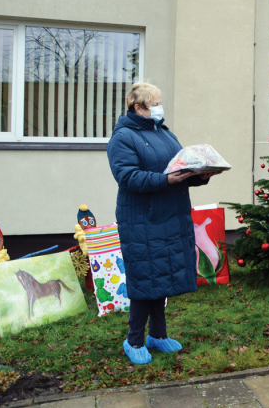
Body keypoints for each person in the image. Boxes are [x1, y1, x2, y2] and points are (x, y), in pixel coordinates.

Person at [107, 82, 216, 365]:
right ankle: (133, 340)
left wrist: (202, 174)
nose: (159, 107)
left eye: (158, 102)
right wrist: (165, 180)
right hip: (142, 219)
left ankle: (158, 335)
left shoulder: (165, 134)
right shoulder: (123, 137)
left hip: (170, 216)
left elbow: (179, 169)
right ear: (138, 107)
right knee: (146, 279)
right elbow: (128, 177)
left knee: (162, 277)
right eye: (153, 103)